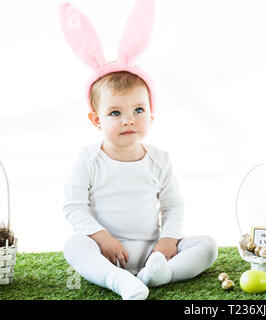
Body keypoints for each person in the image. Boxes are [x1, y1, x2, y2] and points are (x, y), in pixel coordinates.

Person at [58, 1, 217, 300]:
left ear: (152, 116)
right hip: (107, 252)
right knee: (74, 246)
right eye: (115, 113)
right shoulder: (89, 158)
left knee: (207, 245)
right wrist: (102, 239)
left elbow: (173, 206)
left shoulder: (160, 159)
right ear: (96, 120)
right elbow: (74, 206)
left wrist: (168, 242)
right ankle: (116, 280)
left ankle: (161, 274)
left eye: (139, 109)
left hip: (153, 251)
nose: (129, 119)